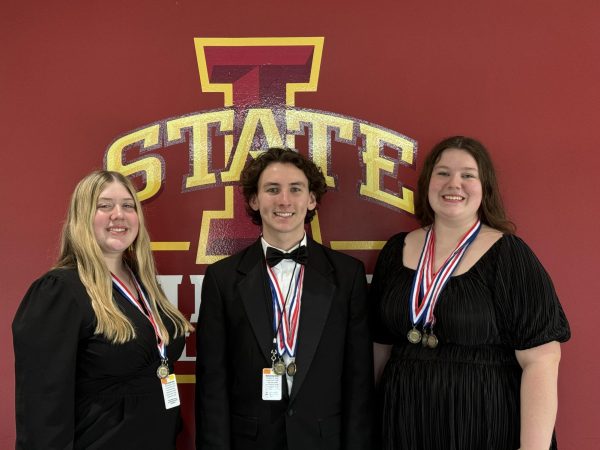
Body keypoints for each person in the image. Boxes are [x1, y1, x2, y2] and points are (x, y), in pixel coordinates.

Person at [370, 136, 570, 450]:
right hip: (403, 425)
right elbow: (379, 348)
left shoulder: (509, 255)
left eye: (468, 175)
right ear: (427, 183)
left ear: (484, 187)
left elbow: (542, 360)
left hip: (484, 424)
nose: (454, 183)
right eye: (443, 173)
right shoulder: (397, 249)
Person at [195, 147, 374, 450]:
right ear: (254, 199)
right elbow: (212, 385)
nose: (284, 201)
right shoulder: (222, 278)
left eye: (296, 189)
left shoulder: (348, 275)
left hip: (323, 441)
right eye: (272, 189)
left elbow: (359, 383)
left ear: (312, 199)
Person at [13, 170, 193, 450]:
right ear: (82, 217)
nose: (118, 215)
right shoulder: (59, 290)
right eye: (104, 206)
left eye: (128, 206)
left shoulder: (143, 283)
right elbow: (42, 407)